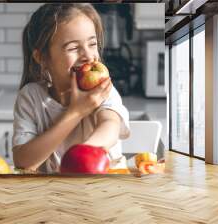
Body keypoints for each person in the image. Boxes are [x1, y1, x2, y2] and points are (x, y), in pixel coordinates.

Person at [12, 3, 130, 173]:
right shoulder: (31, 97)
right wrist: (76, 112)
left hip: (102, 189)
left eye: (92, 44)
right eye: (73, 48)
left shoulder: (102, 90)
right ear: (42, 57)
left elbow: (110, 126)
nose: (89, 56)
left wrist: (80, 157)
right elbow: (24, 161)